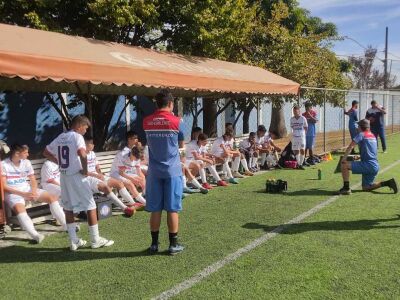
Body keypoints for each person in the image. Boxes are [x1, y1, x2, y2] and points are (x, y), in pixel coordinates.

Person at [44, 115, 114, 251]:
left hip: (63, 177)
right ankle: (95, 240)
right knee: (90, 205)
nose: (85, 131)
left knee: (68, 207)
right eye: (85, 127)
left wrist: (59, 163)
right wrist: (86, 171)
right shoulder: (77, 137)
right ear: (79, 125)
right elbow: (83, 154)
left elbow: (46, 152)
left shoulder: (60, 137)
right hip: (76, 175)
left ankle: (74, 241)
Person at [143, 89, 185, 255]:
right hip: (172, 171)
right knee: (172, 208)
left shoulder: (146, 121)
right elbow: (181, 144)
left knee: (155, 208)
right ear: (171, 103)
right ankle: (173, 245)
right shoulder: (177, 121)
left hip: (154, 171)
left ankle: (154, 245)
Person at [2, 144, 67, 243]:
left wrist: (33, 190)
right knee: (20, 209)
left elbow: (32, 180)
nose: (28, 155)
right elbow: (4, 186)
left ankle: (66, 225)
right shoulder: (3, 164)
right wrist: (23, 194)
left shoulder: (26, 162)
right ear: (17, 153)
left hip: (27, 189)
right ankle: (35, 235)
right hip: (13, 193)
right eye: (25, 153)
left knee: (52, 198)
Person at [339, 119, 397, 195]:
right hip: (374, 165)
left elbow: (351, 146)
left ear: (361, 127)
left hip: (368, 165)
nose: (357, 127)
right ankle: (387, 183)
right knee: (366, 187)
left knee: (344, 164)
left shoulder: (361, 134)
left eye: (358, 126)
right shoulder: (372, 135)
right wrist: (352, 158)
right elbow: (367, 154)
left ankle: (346, 188)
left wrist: (344, 158)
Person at [84, 137, 136, 217]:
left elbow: (97, 166)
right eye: (91, 143)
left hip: (98, 176)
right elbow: (83, 172)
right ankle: (124, 208)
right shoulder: (81, 155)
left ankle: (133, 204)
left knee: (119, 183)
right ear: (85, 144)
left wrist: (100, 173)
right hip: (89, 178)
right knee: (106, 187)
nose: (93, 145)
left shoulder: (92, 153)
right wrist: (97, 175)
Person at [290, 105, 308, 170]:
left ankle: (301, 164)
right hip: (295, 137)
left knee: (302, 149)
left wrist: (303, 134)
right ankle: (298, 164)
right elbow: (292, 127)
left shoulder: (303, 118)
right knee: (296, 150)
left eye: (296, 111)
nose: (295, 112)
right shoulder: (292, 119)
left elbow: (306, 127)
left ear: (299, 111)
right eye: (294, 111)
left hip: (301, 137)